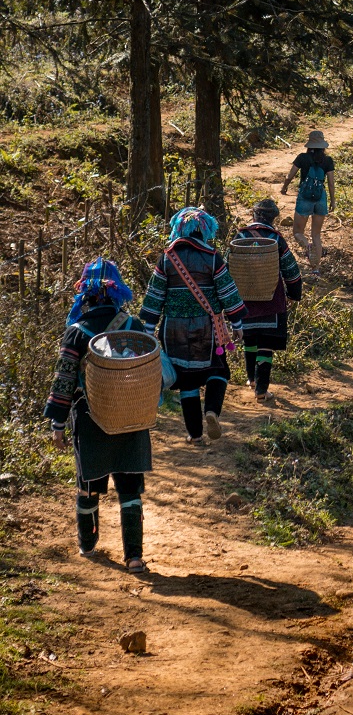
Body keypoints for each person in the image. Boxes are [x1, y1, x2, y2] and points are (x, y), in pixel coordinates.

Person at [44, 258, 152, 572]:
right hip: (131, 418)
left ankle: (88, 547)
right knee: (130, 488)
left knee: (88, 484)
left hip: (90, 419)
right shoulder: (133, 327)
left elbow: (64, 380)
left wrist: (58, 422)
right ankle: (134, 557)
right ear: (117, 293)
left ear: (85, 296)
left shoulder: (76, 333)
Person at [139, 207, 246, 447]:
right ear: (204, 229)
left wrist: (148, 331)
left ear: (179, 228)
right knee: (218, 370)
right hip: (207, 328)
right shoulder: (212, 257)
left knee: (186, 380)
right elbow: (227, 292)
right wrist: (237, 322)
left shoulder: (167, 257)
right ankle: (212, 412)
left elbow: (154, 297)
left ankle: (195, 434)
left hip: (172, 329)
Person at [230, 198, 303, 406]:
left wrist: (228, 301)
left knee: (250, 338)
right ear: (274, 218)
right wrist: (293, 295)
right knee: (266, 344)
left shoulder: (240, 236)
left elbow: (227, 267)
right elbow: (292, 272)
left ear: (253, 215)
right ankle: (261, 391)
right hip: (272, 300)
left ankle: (251, 380)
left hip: (244, 302)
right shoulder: (276, 239)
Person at [281, 129, 335, 273]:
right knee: (316, 234)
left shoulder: (302, 158)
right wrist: (333, 201)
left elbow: (290, 175)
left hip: (305, 197)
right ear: (323, 146)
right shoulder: (328, 160)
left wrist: (284, 188)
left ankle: (307, 247)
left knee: (298, 232)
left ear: (309, 144)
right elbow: (330, 183)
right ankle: (316, 268)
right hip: (320, 198)